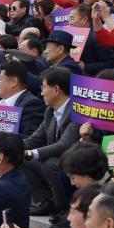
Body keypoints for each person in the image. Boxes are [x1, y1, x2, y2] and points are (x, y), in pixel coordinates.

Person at [23, 68, 80, 216]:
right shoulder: (50, 111)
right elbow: (35, 139)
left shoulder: (76, 110)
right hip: (57, 161)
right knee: (21, 159)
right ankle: (45, 202)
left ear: (56, 89)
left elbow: (65, 145)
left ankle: (63, 208)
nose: (41, 92)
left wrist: (32, 153)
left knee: (50, 163)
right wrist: (7, 146)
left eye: (43, 87)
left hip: (76, 163)